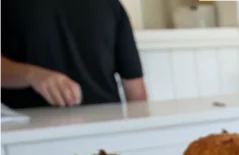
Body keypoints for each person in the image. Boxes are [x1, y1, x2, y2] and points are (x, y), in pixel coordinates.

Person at [0, 0, 147, 109]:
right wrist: (31, 75)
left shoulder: (111, 5)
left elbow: (135, 88)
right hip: (24, 135)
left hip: (104, 131)